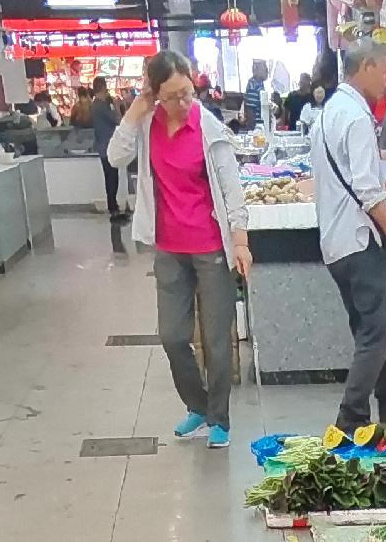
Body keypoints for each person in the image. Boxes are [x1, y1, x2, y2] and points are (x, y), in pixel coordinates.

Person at [107, 51, 252, 453]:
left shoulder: (207, 126)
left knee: (216, 338)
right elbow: (115, 157)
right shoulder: (146, 125)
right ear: (155, 95)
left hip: (211, 247)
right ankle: (198, 405)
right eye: (172, 96)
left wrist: (239, 239)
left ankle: (219, 418)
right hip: (168, 248)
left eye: (187, 92)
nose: (183, 103)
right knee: (172, 336)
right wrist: (135, 111)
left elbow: (230, 185)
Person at [311, 42, 386, 438]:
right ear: (367, 66)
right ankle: (351, 417)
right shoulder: (357, 117)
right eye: (385, 70)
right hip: (359, 241)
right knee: (375, 332)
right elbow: (367, 189)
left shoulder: (326, 115)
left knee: (364, 328)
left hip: (334, 242)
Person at [89, 75, 122, 223]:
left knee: (111, 177)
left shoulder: (97, 105)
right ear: (102, 87)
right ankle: (113, 208)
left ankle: (114, 206)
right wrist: (116, 106)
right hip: (107, 146)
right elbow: (117, 120)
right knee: (111, 177)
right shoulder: (100, 106)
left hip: (104, 145)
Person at [242, 60, 268, 131]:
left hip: (261, 128)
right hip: (256, 129)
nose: (267, 70)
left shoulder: (260, 84)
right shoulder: (253, 85)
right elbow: (250, 111)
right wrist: (252, 132)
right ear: (255, 70)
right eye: (264, 68)